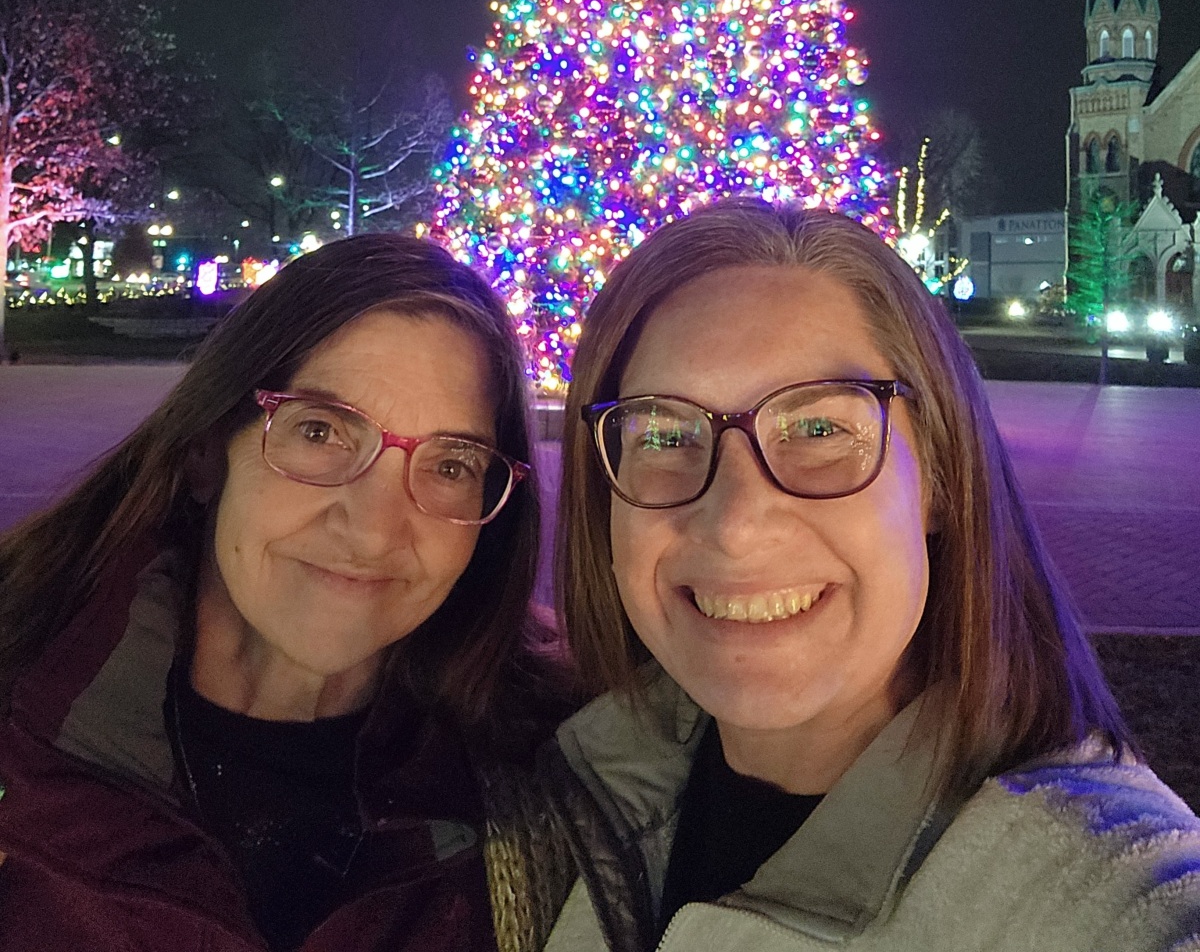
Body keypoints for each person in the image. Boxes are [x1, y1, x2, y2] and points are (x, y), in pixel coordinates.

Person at [541, 201, 1200, 951]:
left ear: (943, 478)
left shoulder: (1090, 892)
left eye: (821, 429)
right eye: (663, 433)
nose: (735, 521)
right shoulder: (562, 806)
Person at [0, 234, 575, 952]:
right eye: (321, 430)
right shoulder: (25, 706)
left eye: (451, 464)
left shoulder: (569, 766)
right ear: (207, 452)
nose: (373, 529)